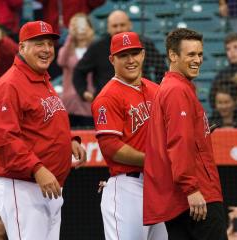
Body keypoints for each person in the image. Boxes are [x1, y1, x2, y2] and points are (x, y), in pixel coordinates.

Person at [0, 20, 87, 240]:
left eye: (50, 44)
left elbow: (43, 122)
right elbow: (5, 139)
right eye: (39, 43)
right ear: (22, 47)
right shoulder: (10, 84)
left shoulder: (41, 79)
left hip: (47, 185)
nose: (46, 50)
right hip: (23, 184)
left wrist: (69, 140)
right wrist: (37, 169)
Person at [143, 28, 227, 240]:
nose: (197, 60)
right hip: (197, 197)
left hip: (181, 199)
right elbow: (179, 142)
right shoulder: (176, 90)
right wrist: (191, 189)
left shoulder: (174, 87)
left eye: (199, 54)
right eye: (191, 54)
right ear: (173, 55)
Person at [91, 31, 168, 240]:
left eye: (134, 53)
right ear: (112, 59)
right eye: (123, 55)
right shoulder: (107, 97)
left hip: (156, 186)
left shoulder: (156, 90)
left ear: (143, 54)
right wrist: (154, 159)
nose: (131, 60)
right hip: (128, 187)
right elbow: (111, 148)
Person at [73, 10, 167, 103]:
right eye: (115, 26)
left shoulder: (144, 44)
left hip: (141, 101)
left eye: (122, 25)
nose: (119, 29)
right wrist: (83, 92)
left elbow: (161, 69)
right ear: (108, 28)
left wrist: (156, 90)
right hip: (108, 102)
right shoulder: (97, 47)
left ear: (130, 25)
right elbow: (79, 71)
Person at [57, 13, 95, 128]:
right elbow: (61, 61)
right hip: (69, 104)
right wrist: (70, 38)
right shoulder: (67, 50)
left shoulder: (95, 50)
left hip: (88, 103)